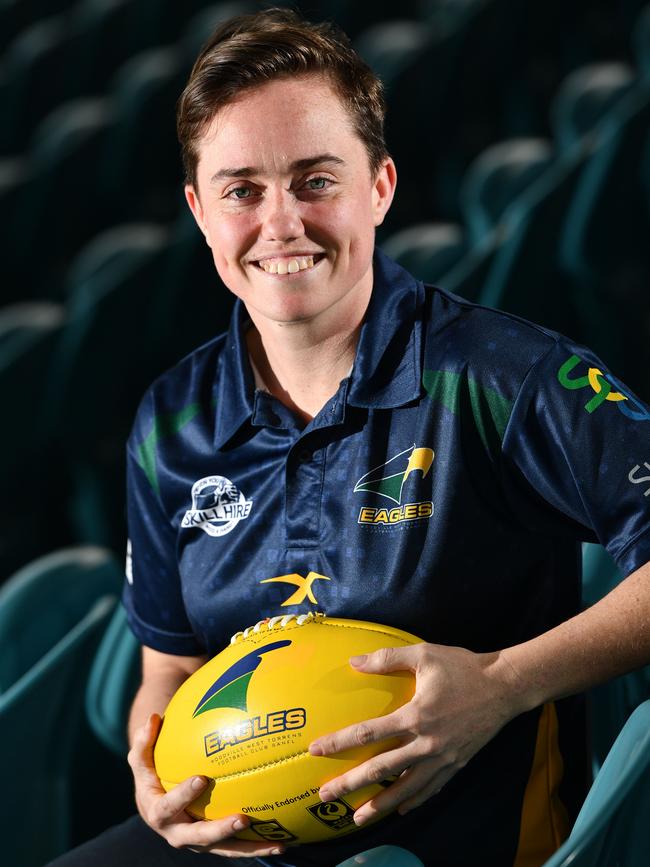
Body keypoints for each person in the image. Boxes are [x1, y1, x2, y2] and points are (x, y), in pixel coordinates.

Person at [49, 7, 650, 867]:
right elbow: (168, 663)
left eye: (316, 180)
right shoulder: (171, 420)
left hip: (454, 832)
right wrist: (159, 776)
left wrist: (503, 684)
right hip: (254, 830)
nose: (281, 222)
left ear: (380, 186)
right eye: (242, 190)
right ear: (199, 211)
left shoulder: (499, 373)